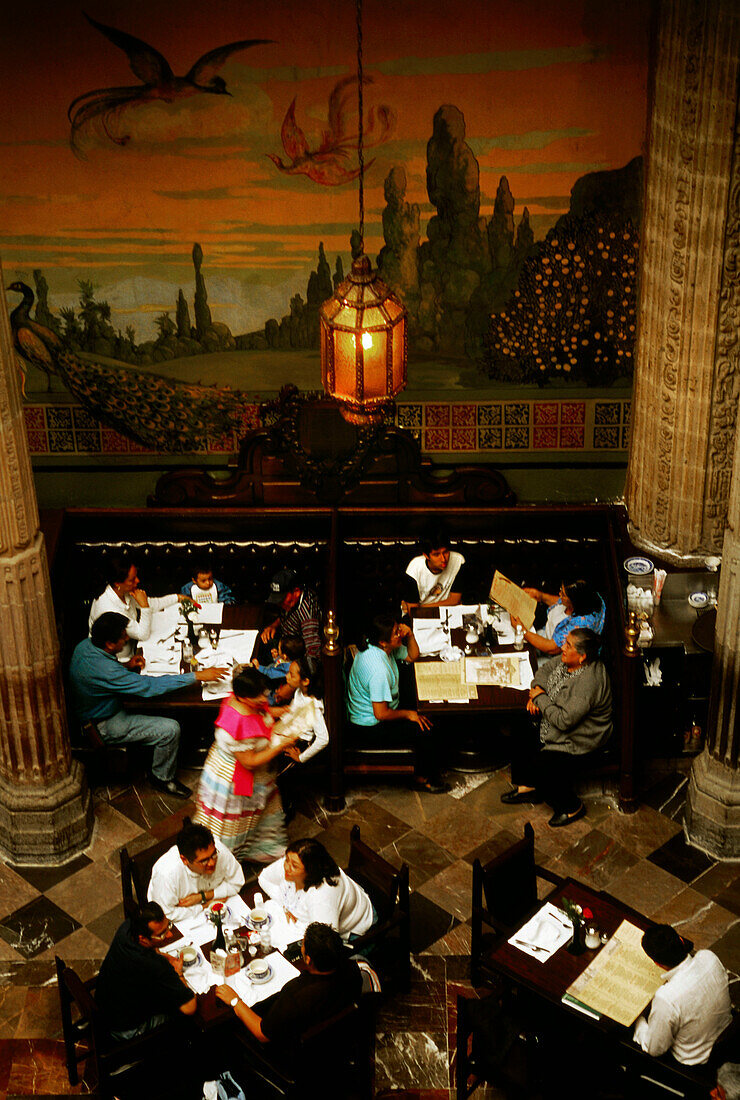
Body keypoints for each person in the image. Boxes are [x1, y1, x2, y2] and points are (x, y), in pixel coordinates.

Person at [69, 612, 227, 798]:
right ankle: (161, 777)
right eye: (123, 636)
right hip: (102, 723)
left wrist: (126, 665)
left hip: (96, 708)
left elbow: (101, 670)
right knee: (170, 729)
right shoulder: (107, 671)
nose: (127, 638)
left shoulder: (86, 645)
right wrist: (197, 676)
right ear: (110, 644)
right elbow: (149, 687)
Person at [501, 628, 612, 826]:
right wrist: (539, 689)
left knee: (544, 765)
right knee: (519, 723)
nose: (562, 647)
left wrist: (539, 698)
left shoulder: (587, 683)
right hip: (553, 716)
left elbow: (564, 721)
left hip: (579, 738)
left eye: (568, 645)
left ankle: (571, 807)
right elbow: (544, 670)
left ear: (582, 657)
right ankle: (529, 787)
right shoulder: (567, 662)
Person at [193, 667, 301, 862]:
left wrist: (283, 711)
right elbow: (249, 762)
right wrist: (280, 746)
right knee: (234, 822)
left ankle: (259, 847)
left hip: (256, 775)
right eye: (258, 697)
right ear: (242, 698)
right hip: (234, 780)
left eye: (264, 693)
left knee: (260, 814)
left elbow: (262, 714)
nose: (263, 699)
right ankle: (229, 859)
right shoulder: (236, 725)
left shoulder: (247, 699)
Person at [346, 612, 447, 793]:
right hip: (370, 726)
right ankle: (421, 778)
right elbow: (381, 714)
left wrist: (410, 636)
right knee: (425, 728)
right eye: (395, 633)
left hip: (385, 707)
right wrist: (409, 715)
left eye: (397, 629)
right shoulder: (378, 670)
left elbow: (412, 656)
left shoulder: (380, 647)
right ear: (383, 642)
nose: (399, 633)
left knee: (425, 702)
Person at [215, 922, 361, 1045]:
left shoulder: (297, 996)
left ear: (308, 959)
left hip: (295, 1053)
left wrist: (235, 1001)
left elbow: (262, 1034)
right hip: (335, 1037)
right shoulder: (352, 969)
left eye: (302, 945)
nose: (301, 947)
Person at [95, 901, 196, 1040]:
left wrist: (161, 956)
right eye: (161, 934)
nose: (170, 935)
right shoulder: (153, 965)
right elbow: (189, 1008)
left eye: (169, 926)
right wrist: (178, 974)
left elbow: (151, 953)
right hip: (126, 1029)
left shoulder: (126, 929)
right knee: (190, 1020)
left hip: (106, 1005)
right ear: (143, 939)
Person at [633, 924, 732, 1065]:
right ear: (681, 940)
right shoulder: (709, 957)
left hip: (696, 1061)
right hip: (726, 1036)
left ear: (657, 963)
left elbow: (655, 1049)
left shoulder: (667, 999)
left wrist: (638, 1021)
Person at [258, 838, 374, 941]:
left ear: (310, 871)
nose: (286, 867)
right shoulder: (294, 861)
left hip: (355, 929)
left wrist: (300, 922)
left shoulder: (322, 897)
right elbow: (264, 878)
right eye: (286, 859)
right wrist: (284, 905)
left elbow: (326, 939)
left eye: (294, 866)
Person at [89, 556, 186, 663]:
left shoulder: (122, 591)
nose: (138, 580)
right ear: (117, 583)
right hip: (118, 661)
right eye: (132, 579)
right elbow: (142, 634)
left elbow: (151, 604)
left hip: (133, 649)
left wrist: (177, 597)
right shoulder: (109, 609)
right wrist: (144, 607)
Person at [147, 821, 245, 923]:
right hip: (182, 921)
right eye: (204, 861)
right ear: (184, 860)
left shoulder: (219, 850)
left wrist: (203, 896)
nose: (212, 863)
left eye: (213, 855)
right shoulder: (167, 875)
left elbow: (237, 882)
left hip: (216, 909)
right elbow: (166, 914)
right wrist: (204, 905)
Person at [512, 578, 605, 658]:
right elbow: (561, 602)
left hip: (556, 656)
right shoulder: (584, 596)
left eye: (563, 594)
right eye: (561, 589)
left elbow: (550, 648)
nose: (560, 594)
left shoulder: (580, 624)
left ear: (574, 601)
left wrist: (521, 630)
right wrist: (540, 596)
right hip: (546, 635)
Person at [401, 527, 470, 609]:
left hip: (446, 612)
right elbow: (413, 611)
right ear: (426, 556)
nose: (443, 559)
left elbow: (454, 600)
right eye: (436, 555)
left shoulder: (458, 561)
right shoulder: (414, 569)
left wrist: (421, 607)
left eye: (445, 552)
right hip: (421, 616)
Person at [260, 568, 322, 659]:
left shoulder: (307, 616)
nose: (279, 604)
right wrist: (274, 625)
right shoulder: (291, 603)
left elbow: (313, 653)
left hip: (295, 657)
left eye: (282, 599)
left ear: (296, 592)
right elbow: (286, 616)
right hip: (283, 644)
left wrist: (294, 667)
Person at [279, 656, 329, 764]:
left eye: (291, 675)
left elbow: (323, 739)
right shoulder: (299, 691)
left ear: (305, 681)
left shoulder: (313, 706)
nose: (287, 676)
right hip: (290, 734)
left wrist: (301, 757)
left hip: (299, 743)